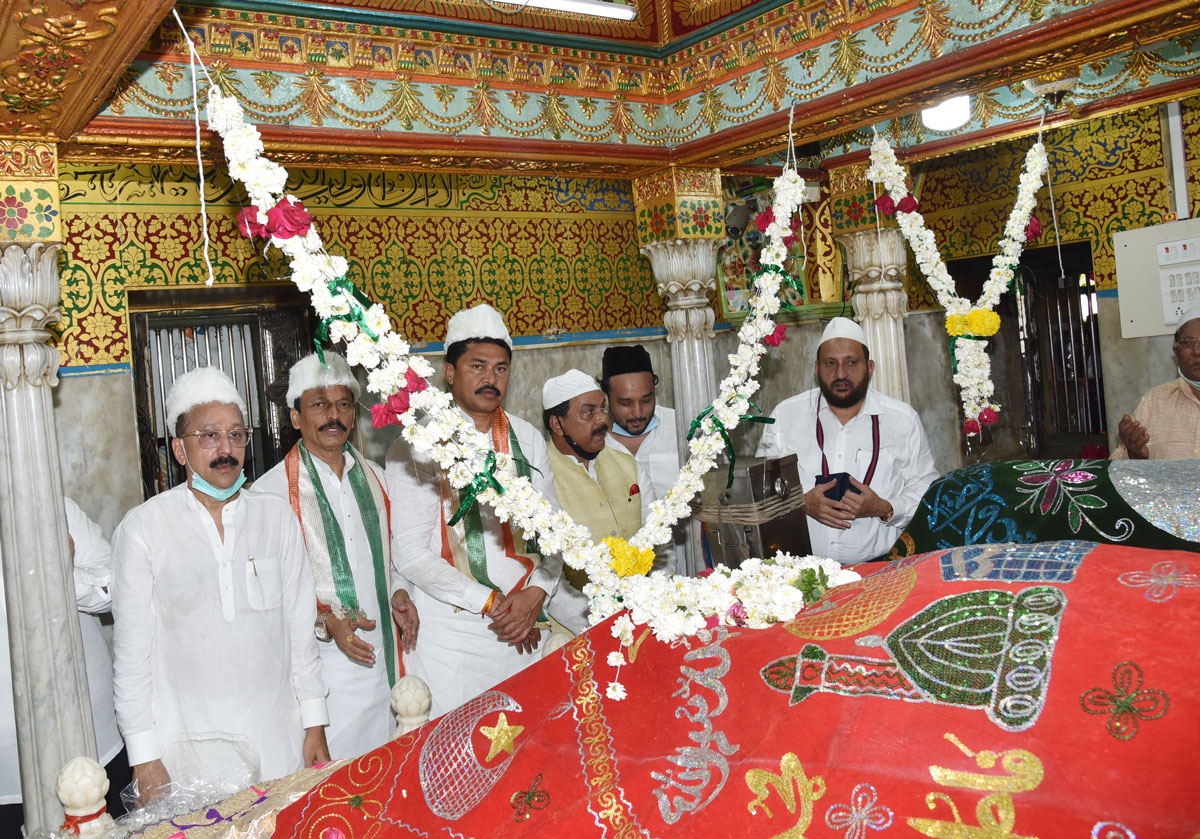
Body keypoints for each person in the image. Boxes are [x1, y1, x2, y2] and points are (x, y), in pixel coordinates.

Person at [111, 366, 329, 803]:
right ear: (179, 449)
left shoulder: (276, 518)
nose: (226, 449)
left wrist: (315, 724)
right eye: (208, 436)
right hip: (186, 751)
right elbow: (132, 656)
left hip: (277, 739)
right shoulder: (144, 528)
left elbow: (300, 633)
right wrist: (144, 754)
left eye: (236, 435)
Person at [386, 304, 587, 718]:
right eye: (477, 366)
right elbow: (408, 553)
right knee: (457, 764)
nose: (490, 379)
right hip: (453, 638)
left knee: (531, 762)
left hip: (525, 631)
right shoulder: (416, 443)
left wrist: (535, 594)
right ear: (449, 371)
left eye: (500, 369)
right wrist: (492, 603)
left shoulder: (527, 439)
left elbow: (554, 534)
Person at [254, 352, 419, 761]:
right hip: (318, 671)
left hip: (382, 661)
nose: (334, 415)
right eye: (318, 404)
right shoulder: (268, 494)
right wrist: (325, 618)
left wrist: (400, 593)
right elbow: (266, 593)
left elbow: (393, 557)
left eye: (344, 404)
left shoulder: (376, 478)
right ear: (295, 418)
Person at [757, 317, 938, 565]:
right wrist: (801, 503)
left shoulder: (902, 420)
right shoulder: (785, 416)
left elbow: (928, 494)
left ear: (870, 367)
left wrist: (884, 508)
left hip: (881, 572)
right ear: (817, 368)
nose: (841, 374)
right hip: (801, 576)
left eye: (851, 363)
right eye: (830, 363)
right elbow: (761, 490)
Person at [0, 498, 127, 831]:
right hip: (7, 772)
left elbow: (117, 586)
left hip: (94, 742)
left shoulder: (49, 504)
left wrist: (64, 575)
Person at [544, 369, 646, 588]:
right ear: (557, 425)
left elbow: (660, 539)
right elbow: (548, 574)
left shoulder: (628, 464)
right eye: (589, 412)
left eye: (602, 409)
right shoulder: (542, 480)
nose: (603, 421)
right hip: (581, 616)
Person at [601, 345, 683, 575]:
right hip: (620, 573)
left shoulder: (681, 427)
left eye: (646, 400)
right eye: (626, 403)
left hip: (689, 566)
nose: (638, 412)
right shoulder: (595, 442)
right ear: (605, 399)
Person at [1112, 303, 1200, 460]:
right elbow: (1118, 472)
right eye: (1187, 342)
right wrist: (1135, 453)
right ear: (1176, 350)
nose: (1197, 351)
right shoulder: (1156, 400)